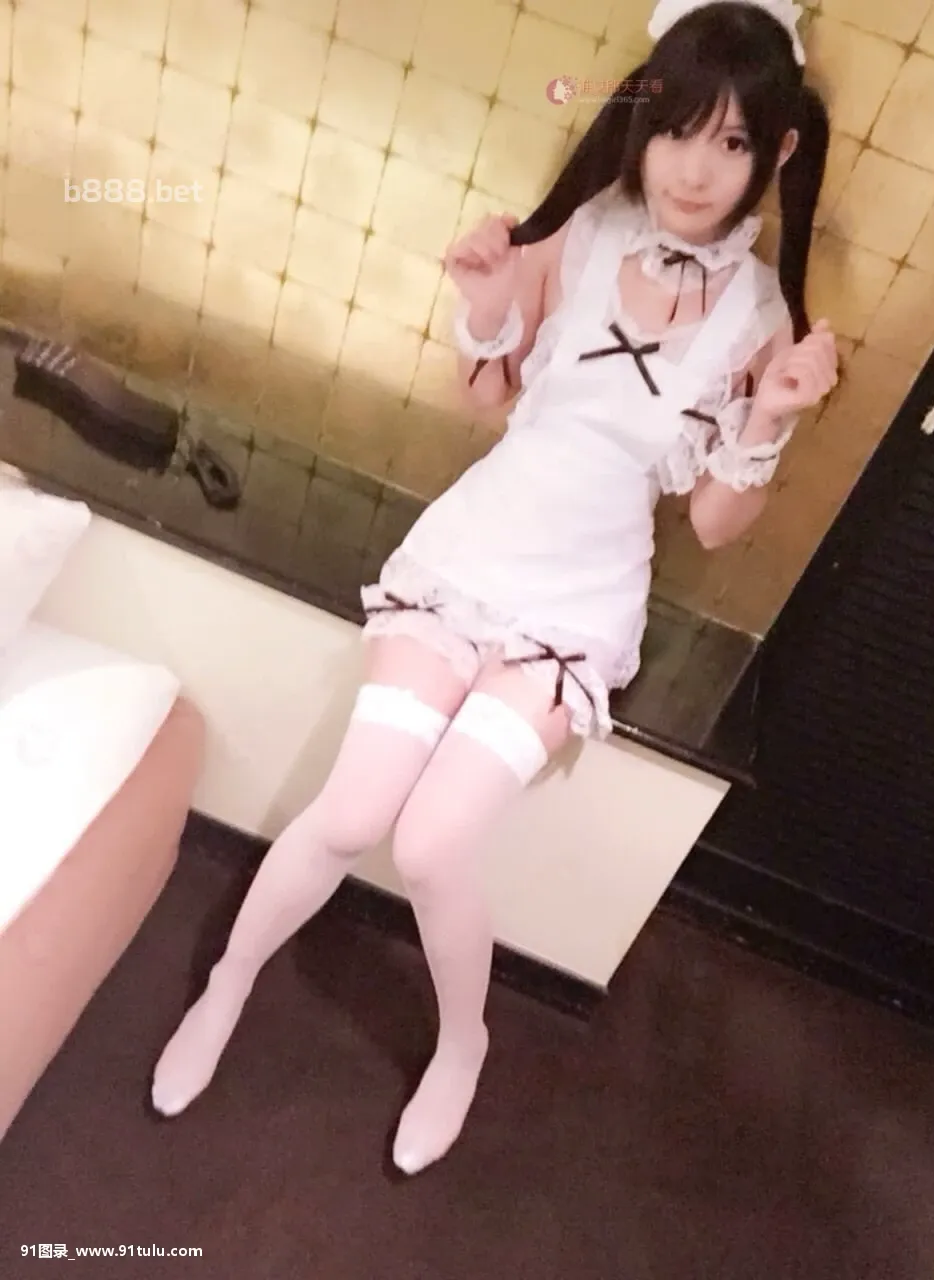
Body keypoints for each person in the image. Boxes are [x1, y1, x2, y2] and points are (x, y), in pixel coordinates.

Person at [151, 0, 839, 1176]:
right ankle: (227, 982)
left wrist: (770, 416)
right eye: (677, 129)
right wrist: (484, 298)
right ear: (644, 121)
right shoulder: (585, 229)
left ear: (776, 150)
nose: (693, 168)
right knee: (352, 813)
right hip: (466, 560)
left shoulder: (764, 316)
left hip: (575, 612)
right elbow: (487, 396)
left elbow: (715, 524)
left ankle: (462, 1042)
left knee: (430, 844)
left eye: (730, 142)